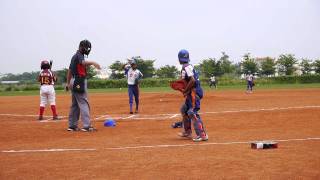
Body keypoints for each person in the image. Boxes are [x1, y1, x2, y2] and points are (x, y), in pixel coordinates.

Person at [66, 39, 101, 132]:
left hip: (74, 80)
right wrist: (93, 63)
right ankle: (87, 126)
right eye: (86, 47)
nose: (87, 49)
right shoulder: (79, 55)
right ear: (81, 47)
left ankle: (72, 125)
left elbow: (69, 71)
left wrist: (68, 82)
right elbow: (83, 63)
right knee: (83, 102)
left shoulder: (74, 56)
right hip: (79, 81)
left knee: (75, 104)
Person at [177, 49, 208, 142]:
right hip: (191, 92)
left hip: (194, 93)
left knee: (192, 112)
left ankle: (202, 134)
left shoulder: (186, 68)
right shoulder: (188, 66)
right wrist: (185, 90)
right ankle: (188, 131)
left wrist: (185, 90)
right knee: (184, 110)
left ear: (179, 58)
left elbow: (193, 80)